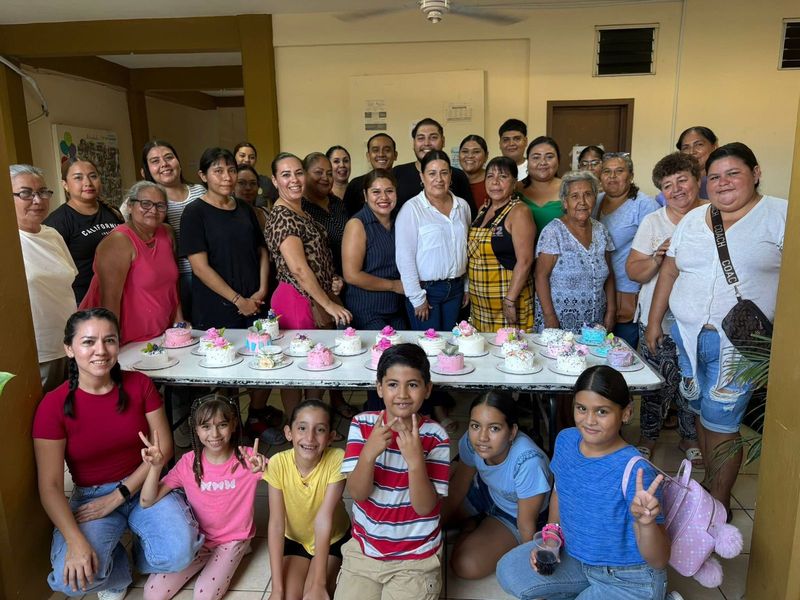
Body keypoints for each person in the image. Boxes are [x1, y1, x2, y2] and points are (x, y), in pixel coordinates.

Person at [645, 142, 786, 517]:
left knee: (723, 422)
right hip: (689, 337)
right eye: (715, 176)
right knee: (701, 414)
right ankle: (710, 486)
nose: (722, 183)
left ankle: (718, 503)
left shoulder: (780, 216)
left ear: (755, 174)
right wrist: (655, 322)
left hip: (740, 344)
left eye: (733, 173)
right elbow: (671, 271)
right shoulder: (694, 218)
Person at [32, 308, 202, 599]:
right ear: (69, 349)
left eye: (109, 340)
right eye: (88, 342)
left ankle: (139, 546)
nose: (101, 350)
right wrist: (76, 542)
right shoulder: (52, 405)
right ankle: (118, 573)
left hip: (145, 484)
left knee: (179, 554)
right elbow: (49, 486)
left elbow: (163, 447)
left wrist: (120, 495)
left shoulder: (140, 385)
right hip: (91, 497)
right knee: (69, 580)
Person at [496, 365, 671, 600]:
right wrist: (551, 537)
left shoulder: (636, 470)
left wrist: (647, 523)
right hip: (578, 558)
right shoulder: (567, 440)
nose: (589, 421)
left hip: (629, 578)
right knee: (509, 572)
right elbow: (561, 490)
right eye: (581, 408)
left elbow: (659, 560)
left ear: (626, 413)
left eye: (602, 412)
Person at [336, 344, 449, 600]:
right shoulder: (361, 425)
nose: (402, 394)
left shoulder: (436, 436)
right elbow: (357, 493)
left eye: (413, 384)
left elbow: (425, 508)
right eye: (392, 384)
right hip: (365, 550)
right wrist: (369, 452)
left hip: (416, 557)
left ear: (427, 389)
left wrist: (416, 462)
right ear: (379, 388)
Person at [138, 393, 267, 600]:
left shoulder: (248, 459)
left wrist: (266, 469)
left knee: (203, 595)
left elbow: (288, 479)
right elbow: (146, 501)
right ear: (195, 430)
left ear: (234, 424)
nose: (214, 433)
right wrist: (155, 467)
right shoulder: (188, 463)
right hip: (198, 539)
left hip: (233, 539)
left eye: (222, 424)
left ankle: (242, 549)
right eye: (206, 426)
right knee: (152, 593)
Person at [627, 153, 704, 465]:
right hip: (658, 319)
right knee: (657, 382)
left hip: (701, 319)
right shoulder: (653, 222)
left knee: (693, 379)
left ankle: (689, 437)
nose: (676, 190)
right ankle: (648, 435)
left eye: (682, 180)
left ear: (697, 180)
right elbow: (634, 271)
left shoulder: (714, 214)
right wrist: (657, 258)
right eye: (668, 186)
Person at [265, 153, 352, 420]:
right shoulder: (282, 216)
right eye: (286, 174)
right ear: (275, 180)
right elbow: (299, 269)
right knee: (296, 370)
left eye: (298, 173)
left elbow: (316, 258)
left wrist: (331, 280)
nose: (294, 180)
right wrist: (327, 303)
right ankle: (296, 429)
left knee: (317, 365)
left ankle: (313, 426)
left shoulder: (300, 208)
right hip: (297, 298)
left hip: (315, 294)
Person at [443, 392, 551, 580]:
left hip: (514, 515)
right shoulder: (471, 441)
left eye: (494, 428)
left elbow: (526, 524)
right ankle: (475, 520)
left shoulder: (528, 463)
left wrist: (532, 569)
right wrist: (434, 523)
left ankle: (471, 525)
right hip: (485, 491)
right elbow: (458, 488)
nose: (482, 437)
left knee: (465, 565)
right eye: (475, 426)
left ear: (512, 432)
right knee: (426, 519)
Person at [265, 400, 351, 600]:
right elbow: (277, 524)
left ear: (330, 437)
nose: (309, 437)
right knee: (286, 596)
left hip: (332, 539)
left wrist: (319, 585)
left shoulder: (337, 459)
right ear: (289, 432)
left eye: (319, 430)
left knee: (313, 596)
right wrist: (276, 590)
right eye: (302, 428)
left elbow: (324, 520)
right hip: (295, 540)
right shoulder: (277, 462)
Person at [80, 181, 185, 344]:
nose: (153, 210)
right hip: (127, 340)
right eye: (145, 204)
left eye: (160, 205)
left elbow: (172, 285)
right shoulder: (118, 241)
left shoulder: (167, 233)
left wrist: (179, 325)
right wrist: (110, 345)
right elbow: (109, 302)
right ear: (130, 205)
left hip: (162, 336)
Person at [181, 147, 269, 329]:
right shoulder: (194, 213)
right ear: (203, 176)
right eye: (218, 171)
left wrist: (261, 291)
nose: (227, 177)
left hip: (255, 303)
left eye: (232, 170)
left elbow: (261, 251)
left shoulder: (245, 208)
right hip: (217, 307)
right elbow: (200, 268)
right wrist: (238, 301)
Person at [12, 164, 78, 392]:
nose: (37, 200)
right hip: (37, 353)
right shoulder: (9, 242)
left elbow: (68, 283)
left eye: (42, 192)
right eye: (25, 193)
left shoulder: (52, 234)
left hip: (71, 344)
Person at [395, 150, 470, 331]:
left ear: (450, 176)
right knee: (429, 349)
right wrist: (417, 298)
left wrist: (466, 287)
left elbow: (466, 249)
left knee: (451, 347)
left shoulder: (462, 206)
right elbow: (405, 258)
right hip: (427, 292)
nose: (439, 179)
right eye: (432, 173)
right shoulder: (411, 209)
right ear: (422, 176)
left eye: (444, 173)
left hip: (456, 290)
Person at [535, 171, 615, 333]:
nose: (582, 202)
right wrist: (550, 317)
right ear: (565, 202)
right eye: (574, 196)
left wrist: (611, 310)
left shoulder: (601, 230)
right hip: (559, 320)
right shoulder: (554, 231)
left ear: (595, 198)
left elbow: (609, 274)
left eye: (588, 194)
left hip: (595, 320)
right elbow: (540, 276)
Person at [596, 152, 659, 348]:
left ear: (630, 176)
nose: (612, 176)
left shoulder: (644, 205)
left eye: (619, 171)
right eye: (607, 171)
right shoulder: (595, 201)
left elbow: (656, 251)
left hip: (628, 291)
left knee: (622, 351)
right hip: (599, 289)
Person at [140, 140, 206, 321]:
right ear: (145, 170)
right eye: (155, 161)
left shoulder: (200, 191)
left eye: (169, 157)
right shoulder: (143, 204)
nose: (164, 164)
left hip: (208, 274)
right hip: (172, 280)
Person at [468, 156, 536, 332]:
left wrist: (510, 300)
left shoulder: (519, 211)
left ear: (514, 183)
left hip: (507, 304)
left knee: (511, 352)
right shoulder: (484, 209)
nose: (495, 182)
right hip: (481, 306)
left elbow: (525, 261)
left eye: (503, 176)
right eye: (490, 176)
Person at [44, 158, 124, 304]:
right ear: (65, 185)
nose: (87, 182)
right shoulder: (58, 221)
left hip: (120, 292)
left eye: (93, 176)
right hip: (84, 299)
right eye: (78, 178)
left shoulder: (112, 211)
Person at [342, 169, 405, 330]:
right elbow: (351, 275)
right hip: (367, 310)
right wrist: (393, 285)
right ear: (365, 195)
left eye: (389, 191)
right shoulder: (357, 224)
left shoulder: (402, 218)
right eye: (376, 192)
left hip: (397, 308)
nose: (384, 197)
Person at [393, 117, 473, 210]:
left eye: (433, 137)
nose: (427, 143)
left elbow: (468, 215)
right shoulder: (398, 173)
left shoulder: (458, 176)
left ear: (443, 141)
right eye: (421, 138)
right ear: (413, 143)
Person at [302, 152, 350, 276]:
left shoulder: (337, 203)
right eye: (318, 172)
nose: (325, 177)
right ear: (304, 174)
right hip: (323, 280)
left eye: (329, 174)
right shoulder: (300, 209)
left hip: (350, 276)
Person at [343, 133, 398, 216]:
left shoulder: (404, 181)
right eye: (375, 150)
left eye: (387, 150)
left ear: (395, 155)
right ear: (368, 156)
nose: (381, 154)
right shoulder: (355, 185)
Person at [518, 136, 563, 234]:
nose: (543, 162)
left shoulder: (569, 189)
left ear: (558, 160)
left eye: (549, 157)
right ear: (528, 161)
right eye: (536, 157)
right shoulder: (514, 189)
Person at [234, 141, 278, 207]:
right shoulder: (228, 181)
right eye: (242, 155)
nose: (247, 160)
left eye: (252, 157)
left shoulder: (265, 182)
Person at [459, 134, 489, 212]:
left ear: (486, 156)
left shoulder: (494, 181)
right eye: (465, 151)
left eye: (476, 152)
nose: (470, 156)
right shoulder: (452, 179)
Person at [235, 163, 268, 232]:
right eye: (241, 183)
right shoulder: (227, 216)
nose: (248, 188)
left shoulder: (265, 212)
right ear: (232, 187)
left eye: (253, 183)